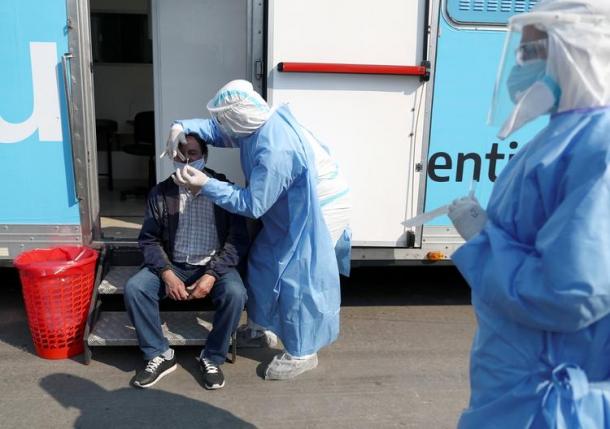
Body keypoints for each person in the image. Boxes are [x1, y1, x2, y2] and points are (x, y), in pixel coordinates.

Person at [447, 0, 610, 427]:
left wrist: (483, 242)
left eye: (532, 51)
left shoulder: (600, 145)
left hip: (547, 401)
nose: (520, 65)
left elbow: (571, 293)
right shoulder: (565, 134)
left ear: (579, 51)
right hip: (517, 385)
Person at [166, 80, 351, 380]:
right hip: (288, 206)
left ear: (238, 116)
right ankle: (261, 329)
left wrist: (207, 185)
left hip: (320, 207)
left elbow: (252, 204)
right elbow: (218, 130)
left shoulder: (276, 148)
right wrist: (182, 126)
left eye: (225, 119)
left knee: (297, 278)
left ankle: (303, 352)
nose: (221, 125)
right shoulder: (254, 125)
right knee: (262, 260)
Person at [124, 133, 249, 390]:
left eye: (193, 154)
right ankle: (159, 354)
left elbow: (237, 240)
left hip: (213, 265)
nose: (187, 161)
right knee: (135, 288)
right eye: (180, 155)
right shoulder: (161, 193)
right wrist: (167, 273)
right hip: (174, 265)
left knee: (235, 293)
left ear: (205, 156)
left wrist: (212, 274)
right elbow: (148, 240)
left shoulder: (224, 190)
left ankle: (212, 356)